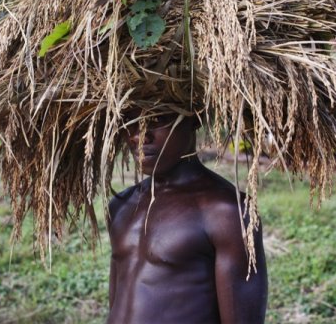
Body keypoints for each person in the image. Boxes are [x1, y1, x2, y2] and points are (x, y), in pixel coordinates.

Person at [107, 111, 268, 324]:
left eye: (157, 119)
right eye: (130, 121)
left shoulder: (226, 211)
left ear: (195, 119)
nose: (138, 136)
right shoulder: (121, 205)